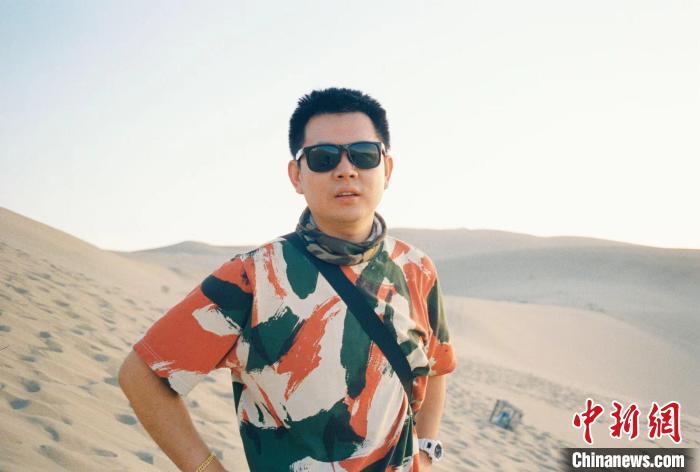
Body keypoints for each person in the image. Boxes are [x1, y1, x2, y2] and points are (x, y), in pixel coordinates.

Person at [119, 87, 456, 471]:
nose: (346, 170)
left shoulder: (417, 268)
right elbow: (142, 375)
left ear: (387, 169)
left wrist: (425, 450)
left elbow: (436, 367)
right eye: (324, 158)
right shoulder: (254, 276)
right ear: (297, 176)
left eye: (364, 155)